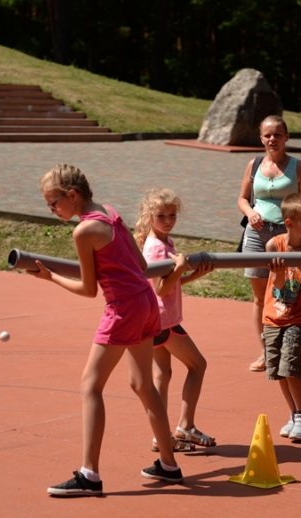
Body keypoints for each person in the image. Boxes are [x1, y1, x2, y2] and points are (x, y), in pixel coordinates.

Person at [29, 165, 183, 497]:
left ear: (72, 195)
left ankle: (89, 475)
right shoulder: (110, 212)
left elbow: (89, 289)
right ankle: (169, 465)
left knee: (90, 385)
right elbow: (142, 266)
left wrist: (50, 277)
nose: (52, 209)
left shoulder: (83, 231)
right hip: (145, 302)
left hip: (124, 308)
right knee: (143, 384)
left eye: (53, 203)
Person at [134, 188, 217, 453]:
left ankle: (161, 435)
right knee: (198, 365)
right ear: (149, 216)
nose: (168, 220)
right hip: (164, 322)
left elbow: (169, 283)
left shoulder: (163, 241)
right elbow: (161, 289)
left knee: (163, 374)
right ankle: (185, 426)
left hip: (155, 320)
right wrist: (181, 267)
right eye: (161, 216)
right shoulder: (157, 248)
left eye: (172, 215)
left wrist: (193, 275)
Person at [238, 115, 301, 372]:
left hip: (286, 236)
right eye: (268, 135)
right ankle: (266, 352)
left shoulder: (299, 167)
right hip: (256, 235)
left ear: (286, 137)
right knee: (260, 297)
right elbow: (242, 199)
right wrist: (250, 213)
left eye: (278, 134)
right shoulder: (254, 164)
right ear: (261, 138)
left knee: (286, 294)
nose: (273, 139)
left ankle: (287, 348)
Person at [261, 193, 301, 441]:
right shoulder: (274, 246)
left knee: (291, 367)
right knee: (278, 370)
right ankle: (295, 413)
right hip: (272, 317)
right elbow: (276, 285)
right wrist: (278, 272)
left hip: (298, 317)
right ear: (289, 223)